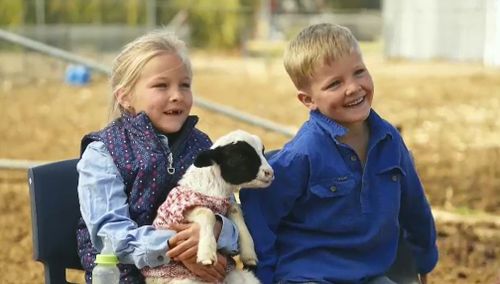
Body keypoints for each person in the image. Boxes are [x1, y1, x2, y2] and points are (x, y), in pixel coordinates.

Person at [240, 23, 438, 284]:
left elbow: (414, 205)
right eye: (335, 83)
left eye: (359, 72)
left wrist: (424, 259)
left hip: (369, 273)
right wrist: (261, 276)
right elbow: (258, 207)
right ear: (308, 100)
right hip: (308, 275)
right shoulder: (304, 153)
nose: (353, 87)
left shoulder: (390, 140)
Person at [76, 29, 239, 284]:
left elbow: (232, 213)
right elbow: (110, 234)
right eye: (161, 85)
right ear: (125, 97)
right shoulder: (103, 152)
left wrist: (216, 230)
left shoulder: (203, 146)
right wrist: (179, 248)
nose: (177, 95)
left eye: (184, 85)